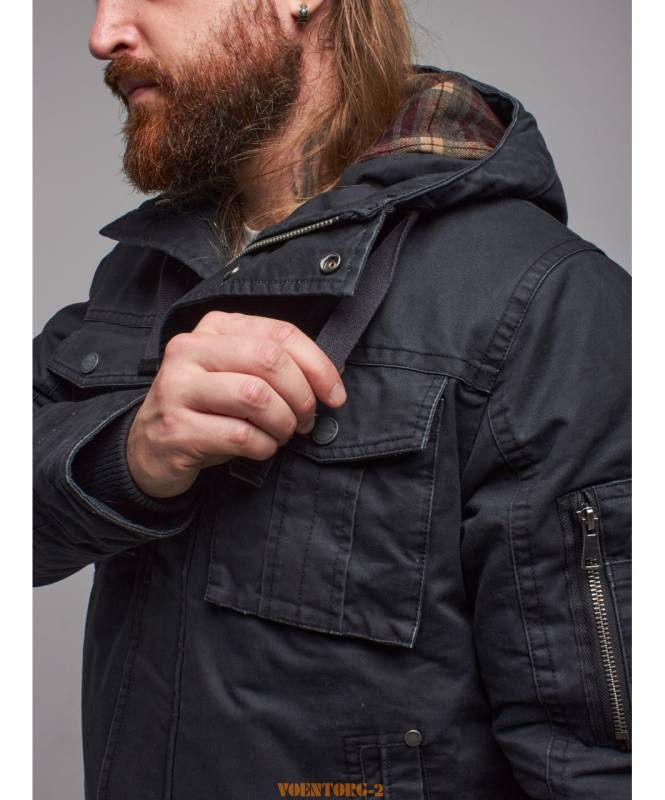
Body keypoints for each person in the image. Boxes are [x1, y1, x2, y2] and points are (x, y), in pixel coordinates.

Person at [33, 1, 631, 798]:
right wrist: (128, 456)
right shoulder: (144, 268)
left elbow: (599, 763)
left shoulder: (549, 302)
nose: (102, 34)